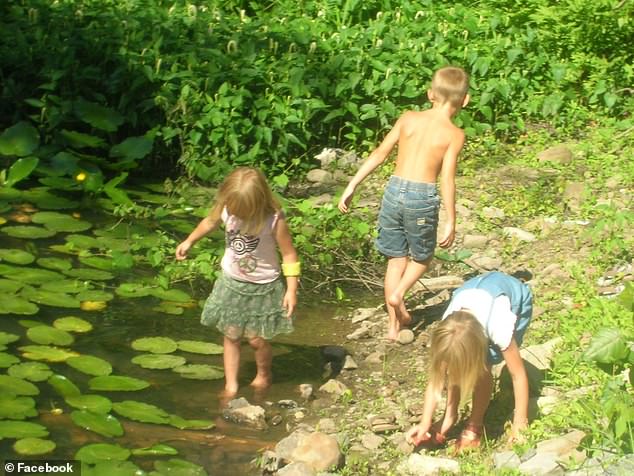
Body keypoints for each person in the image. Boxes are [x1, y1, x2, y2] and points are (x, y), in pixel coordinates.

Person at [338, 66, 470, 341]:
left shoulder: (408, 118)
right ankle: (399, 295)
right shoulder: (454, 134)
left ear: (430, 94)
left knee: (396, 259)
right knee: (422, 257)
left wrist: (353, 184)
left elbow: (380, 153)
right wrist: (451, 220)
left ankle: (392, 328)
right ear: (465, 99)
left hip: (393, 190)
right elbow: (447, 179)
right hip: (422, 196)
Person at [175, 167, 299, 397]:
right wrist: (190, 240)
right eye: (234, 210)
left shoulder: (273, 220)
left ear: (258, 204)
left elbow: (289, 255)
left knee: (256, 339)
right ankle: (230, 384)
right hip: (231, 282)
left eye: (243, 213)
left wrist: (291, 290)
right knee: (231, 335)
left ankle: (263, 374)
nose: (237, 216)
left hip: (263, 286)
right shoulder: (226, 207)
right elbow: (209, 222)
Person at [405, 271, 533, 451]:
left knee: (484, 366)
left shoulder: (500, 325)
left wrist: (520, 423)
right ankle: (450, 416)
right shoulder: (446, 331)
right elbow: (436, 382)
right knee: (459, 365)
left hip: (514, 297)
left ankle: (475, 422)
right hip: (475, 292)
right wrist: (425, 422)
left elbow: (518, 374)